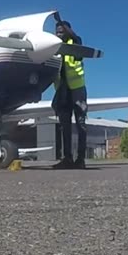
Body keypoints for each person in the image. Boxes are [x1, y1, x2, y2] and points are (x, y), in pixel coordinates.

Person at [50, 14, 87, 169]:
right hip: (62, 91)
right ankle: (67, 158)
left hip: (77, 89)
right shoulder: (51, 47)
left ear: (67, 31)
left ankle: (81, 159)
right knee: (64, 125)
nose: (58, 34)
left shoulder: (76, 42)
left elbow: (74, 36)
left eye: (61, 31)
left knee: (81, 124)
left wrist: (59, 21)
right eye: (57, 31)